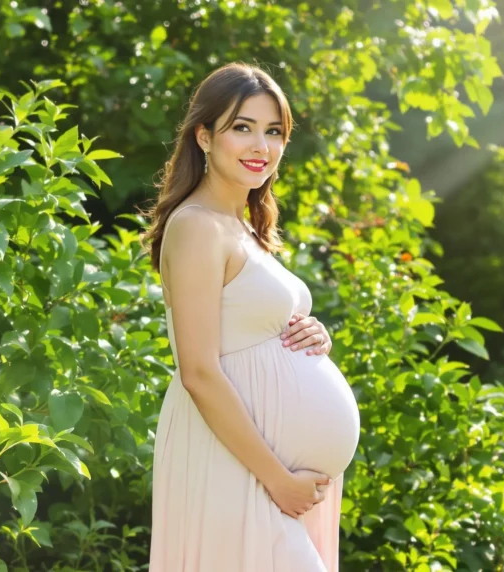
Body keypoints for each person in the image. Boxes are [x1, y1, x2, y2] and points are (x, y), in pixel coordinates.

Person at [139, 62, 361, 572]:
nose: (261, 146)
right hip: (239, 466)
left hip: (266, 474)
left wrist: (312, 335)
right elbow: (197, 371)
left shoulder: (240, 228)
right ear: (203, 136)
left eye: (274, 131)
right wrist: (278, 480)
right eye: (242, 128)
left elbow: (249, 327)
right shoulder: (196, 226)